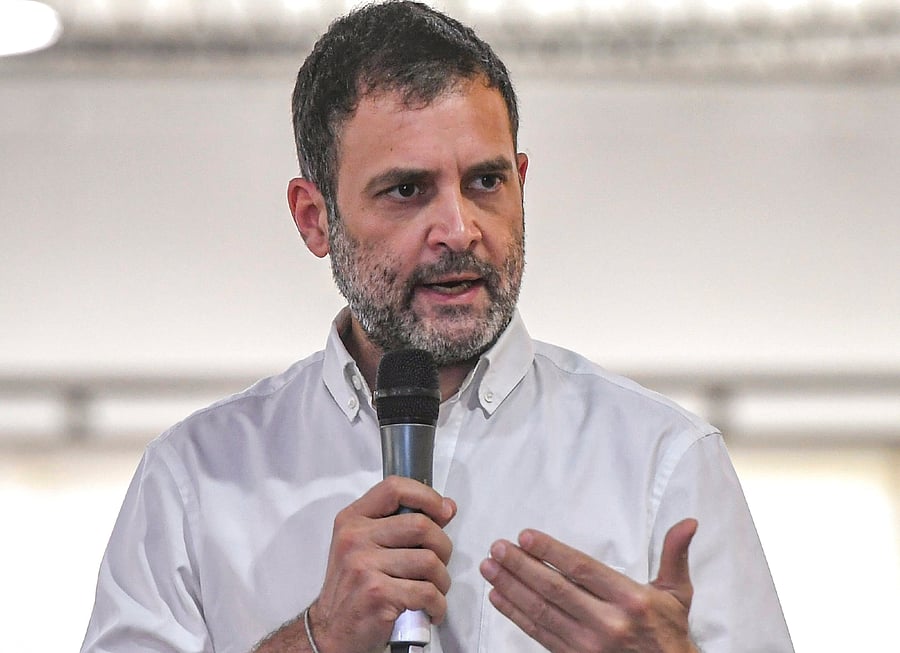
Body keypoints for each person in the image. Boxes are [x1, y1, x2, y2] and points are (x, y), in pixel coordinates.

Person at [81, 2, 793, 652]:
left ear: (521, 180)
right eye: (406, 190)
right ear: (314, 217)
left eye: (486, 182)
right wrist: (317, 636)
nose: (459, 229)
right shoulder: (194, 480)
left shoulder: (660, 463)